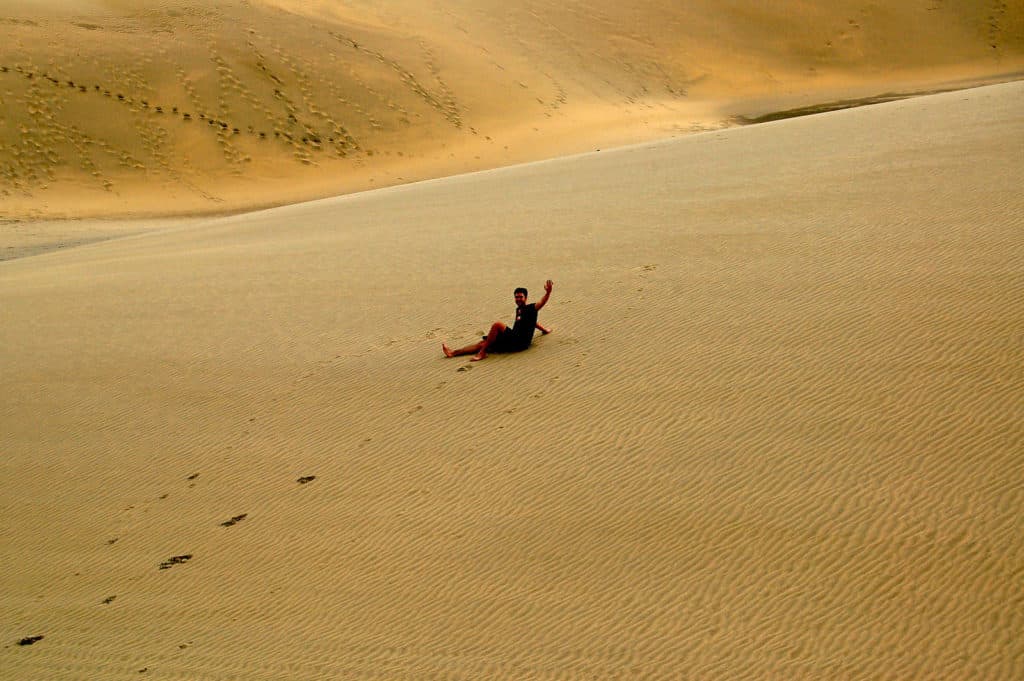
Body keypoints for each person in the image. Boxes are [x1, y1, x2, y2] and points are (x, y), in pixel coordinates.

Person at [443, 280, 553, 361]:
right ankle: (453, 353)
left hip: (519, 342)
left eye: (520, 297)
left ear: (526, 297)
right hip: (513, 339)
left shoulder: (531, 308)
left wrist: (548, 293)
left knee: (497, 325)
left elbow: (542, 302)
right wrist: (545, 330)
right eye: (516, 297)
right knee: (483, 343)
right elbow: (532, 322)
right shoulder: (519, 309)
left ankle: (482, 353)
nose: (518, 299)